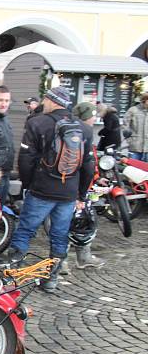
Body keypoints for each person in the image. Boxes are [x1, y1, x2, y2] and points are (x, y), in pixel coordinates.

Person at [7, 86, 95, 292]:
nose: (43, 103)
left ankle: (13, 274)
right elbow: (89, 166)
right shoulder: (85, 129)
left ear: (52, 100)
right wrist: (80, 193)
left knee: (26, 229)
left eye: (46, 99)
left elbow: (25, 159)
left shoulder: (36, 123)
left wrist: (28, 185)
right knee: (59, 234)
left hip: (41, 190)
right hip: (68, 193)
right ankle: (51, 279)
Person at [65, 101, 105, 271]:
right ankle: (63, 260)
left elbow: (90, 164)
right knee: (70, 222)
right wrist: (80, 194)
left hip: (81, 186)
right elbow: (84, 164)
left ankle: (82, 256)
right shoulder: (81, 133)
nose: (94, 118)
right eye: (92, 115)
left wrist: (96, 179)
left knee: (84, 221)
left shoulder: (79, 132)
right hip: (76, 187)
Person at [124, 92, 148, 161]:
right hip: (135, 148)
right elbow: (125, 126)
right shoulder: (133, 110)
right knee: (133, 169)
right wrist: (130, 141)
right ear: (145, 100)